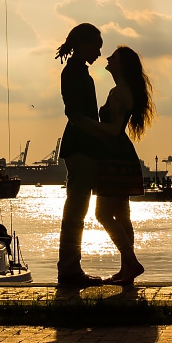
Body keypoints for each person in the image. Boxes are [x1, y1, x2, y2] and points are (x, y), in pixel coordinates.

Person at [94, 45, 154, 285]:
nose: (108, 58)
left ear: (122, 65)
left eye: (114, 57)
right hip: (121, 155)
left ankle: (132, 262)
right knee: (121, 215)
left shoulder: (118, 93)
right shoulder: (125, 91)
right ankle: (126, 270)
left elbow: (113, 129)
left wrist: (85, 124)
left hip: (113, 157)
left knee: (102, 214)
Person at [55, 22, 107, 287]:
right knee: (76, 209)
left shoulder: (77, 71)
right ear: (84, 44)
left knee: (77, 207)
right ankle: (69, 270)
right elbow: (74, 114)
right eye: (96, 46)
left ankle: (70, 267)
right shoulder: (75, 72)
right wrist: (100, 133)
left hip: (81, 145)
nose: (99, 52)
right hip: (80, 145)